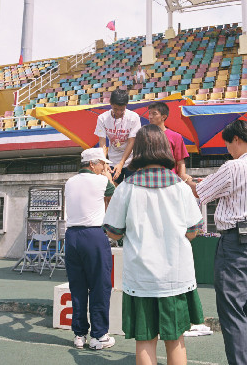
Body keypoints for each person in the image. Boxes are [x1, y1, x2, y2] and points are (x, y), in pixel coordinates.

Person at [103, 124, 204, 365]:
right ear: (165, 149)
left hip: (141, 276)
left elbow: (114, 233)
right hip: (176, 275)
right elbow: (192, 231)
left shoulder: (126, 188)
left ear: (138, 150)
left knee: (145, 340)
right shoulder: (181, 188)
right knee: (176, 338)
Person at [186, 120, 247, 365]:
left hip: (236, 241)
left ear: (236, 139)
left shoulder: (234, 167)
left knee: (233, 310)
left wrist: (188, 181)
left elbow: (201, 193)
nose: (227, 150)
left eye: (227, 144)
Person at [64, 147, 116, 350]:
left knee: (77, 287)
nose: (105, 167)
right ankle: (99, 335)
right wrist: (108, 177)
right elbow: (116, 195)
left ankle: (79, 334)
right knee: (99, 286)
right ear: (93, 164)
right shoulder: (101, 181)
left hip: (72, 237)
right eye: (103, 164)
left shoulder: (70, 182)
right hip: (93, 235)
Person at [94, 89, 141, 184]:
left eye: (122, 109)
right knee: (112, 189)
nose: (119, 112)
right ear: (110, 104)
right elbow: (102, 142)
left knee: (131, 189)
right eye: (115, 109)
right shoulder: (102, 118)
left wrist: (121, 163)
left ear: (126, 106)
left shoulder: (133, 117)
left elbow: (132, 142)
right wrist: (105, 162)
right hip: (112, 160)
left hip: (130, 160)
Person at [148, 101, 190, 180]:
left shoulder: (176, 137)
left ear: (163, 117)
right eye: (149, 113)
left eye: (154, 114)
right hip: (149, 178)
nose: (150, 116)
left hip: (170, 179)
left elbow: (180, 161)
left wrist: (182, 177)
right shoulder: (144, 136)